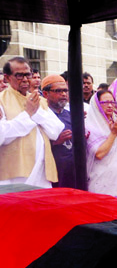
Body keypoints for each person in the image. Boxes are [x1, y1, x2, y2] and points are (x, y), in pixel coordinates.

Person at [0, 57, 63, 188]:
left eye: (27, 74)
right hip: (14, 173)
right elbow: (2, 135)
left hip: (41, 172)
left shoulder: (38, 100)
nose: (24, 79)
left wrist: (36, 113)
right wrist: (27, 115)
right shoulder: (2, 100)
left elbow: (55, 131)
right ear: (7, 78)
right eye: (19, 75)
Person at [85, 89, 117, 199]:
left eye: (112, 102)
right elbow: (99, 154)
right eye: (105, 102)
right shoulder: (89, 125)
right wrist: (113, 133)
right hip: (101, 179)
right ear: (96, 104)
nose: (110, 105)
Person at [41, 75, 75, 188]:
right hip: (52, 173)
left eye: (65, 90)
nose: (64, 94)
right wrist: (56, 142)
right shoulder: (41, 115)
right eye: (58, 91)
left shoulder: (71, 116)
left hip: (74, 171)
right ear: (45, 94)